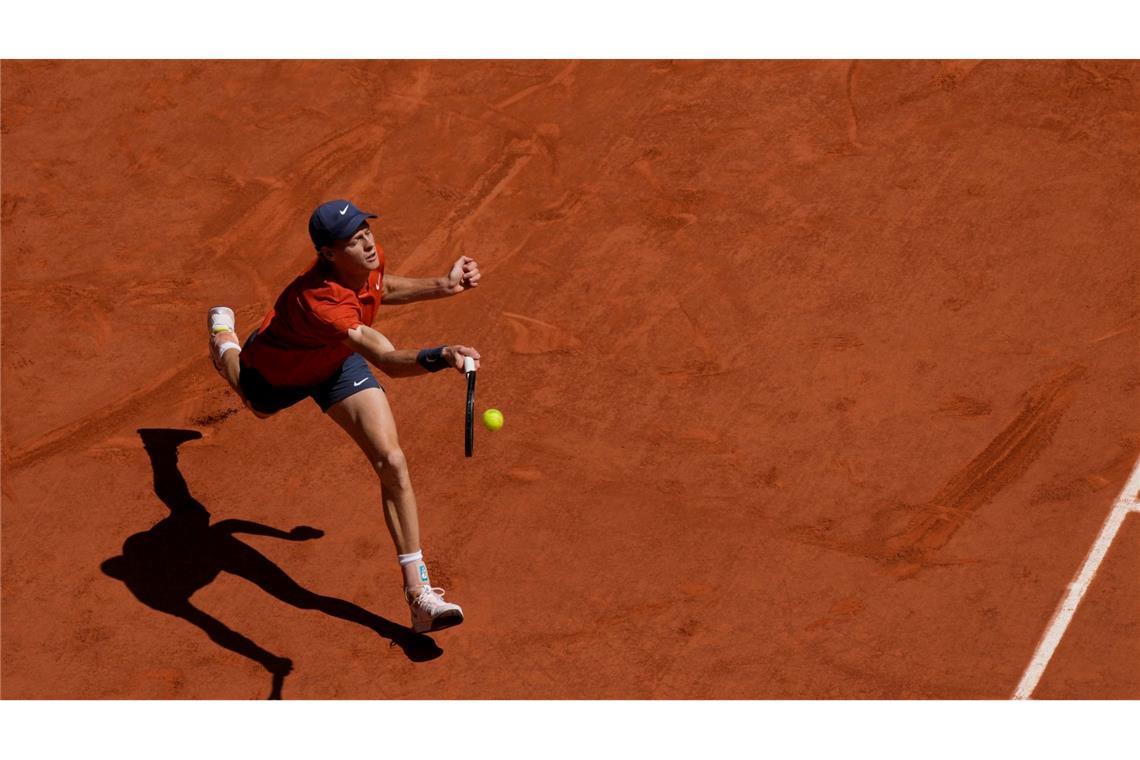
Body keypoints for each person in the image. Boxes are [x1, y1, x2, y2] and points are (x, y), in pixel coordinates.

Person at [206, 198, 481, 634]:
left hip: (337, 363)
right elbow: (388, 360)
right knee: (255, 402)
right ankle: (224, 343)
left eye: (366, 231)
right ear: (329, 254)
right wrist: (443, 355)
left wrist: (442, 286)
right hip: (282, 370)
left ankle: (419, 597)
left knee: (391, 461)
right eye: (354, 240)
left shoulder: (367, 260)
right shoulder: (321, 301)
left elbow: (380, 289)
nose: (368, 243)